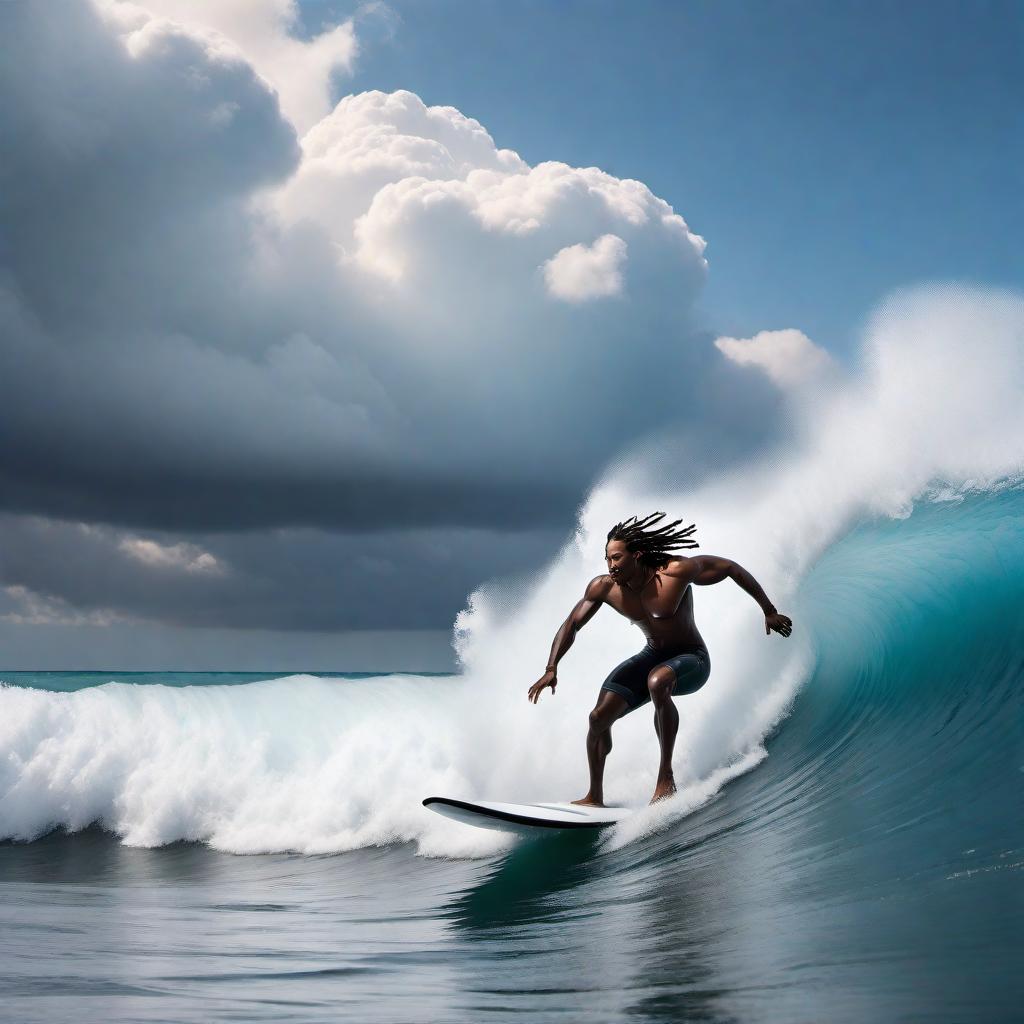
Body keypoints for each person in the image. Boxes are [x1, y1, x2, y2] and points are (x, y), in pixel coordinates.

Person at [527, 512, 793, 806]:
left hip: (692, 659)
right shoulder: (604, 587)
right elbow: (572, 624)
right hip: (652, 655)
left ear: (636, 555)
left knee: (658, 681)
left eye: (616, 558)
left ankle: (665, 778)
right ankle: (594, 797)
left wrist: (768, 610)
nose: (610, 565)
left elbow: (729, 567)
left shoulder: (675, 572)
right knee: (598, 718)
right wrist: (551, 667)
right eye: (607, 559)